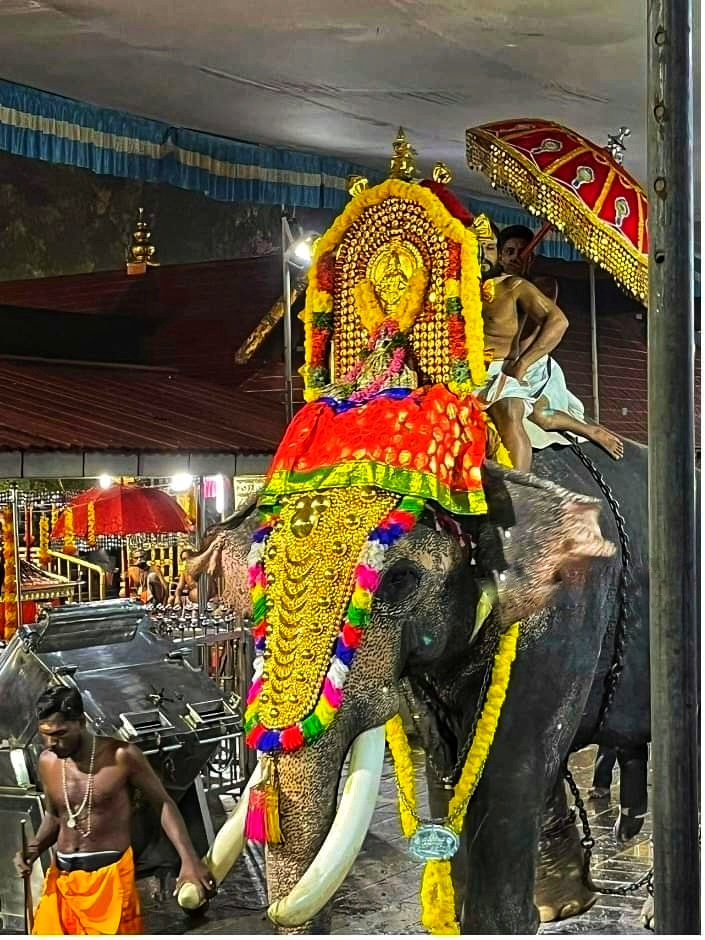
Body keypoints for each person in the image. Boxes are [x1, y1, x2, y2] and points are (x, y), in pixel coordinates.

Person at [14, 686, 214, 934]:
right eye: (44, 734)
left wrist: (189, 860)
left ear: (81, 722)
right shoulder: (47, 761)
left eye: (60, 733)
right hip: (61, 882)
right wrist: (34, 848)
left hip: (109, 883)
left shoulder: (121, 756)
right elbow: (56, 816)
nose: (51, 743)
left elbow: (163, 803)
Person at [473, 220, 624, 471]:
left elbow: (551, 325)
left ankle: (521, 493)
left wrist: (521, 364)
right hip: (471, 371)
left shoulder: (523, 286)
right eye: (510, 252)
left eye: (488, 247)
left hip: (523, 365)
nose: (515, 257)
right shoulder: (458, 289)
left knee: (534, 415)